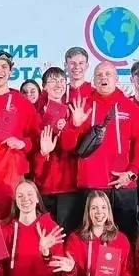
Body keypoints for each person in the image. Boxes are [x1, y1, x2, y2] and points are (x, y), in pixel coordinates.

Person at [63, 61, 139, 240]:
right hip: (90, 183)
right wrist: (75, 125)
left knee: (127, 237)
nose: (103, 78)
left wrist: (131, 173)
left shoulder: (130, 108)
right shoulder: (83, 106)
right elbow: (67, 146)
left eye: (108, 74)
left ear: (117, 79)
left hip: (122, 185)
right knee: (90, 238)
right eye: (99, 75)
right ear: (93, 80)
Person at [33, 67, 81, 231]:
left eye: (61, 80)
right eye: (53, 81)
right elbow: (32, 152)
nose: (58, 85)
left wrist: (69, 128)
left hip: (68, 184)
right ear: (44, 87)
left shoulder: (73, 112)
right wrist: (43, 153)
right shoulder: (36, 114)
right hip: (44, 184)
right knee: (46, 233)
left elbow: (71, 147)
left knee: (67, 232)